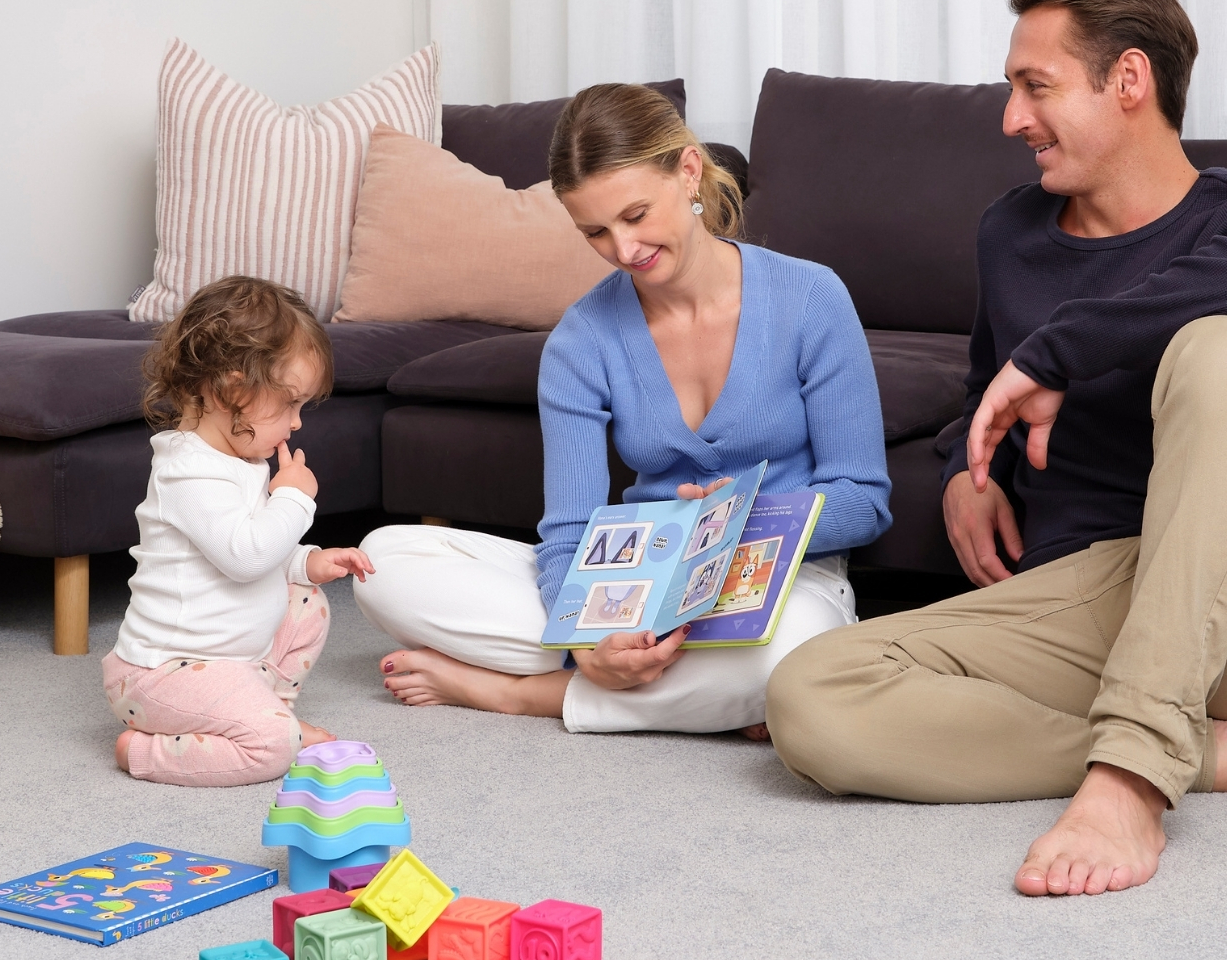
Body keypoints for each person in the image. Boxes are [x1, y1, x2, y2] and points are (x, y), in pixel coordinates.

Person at [766, 0, 1227, 897]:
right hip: (1093, 603)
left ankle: (1133, 776)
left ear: (1128, 81)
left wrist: (1064, 350)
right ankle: (1215, 753)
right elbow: (989, 383)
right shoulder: (1011, 232)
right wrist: (961, 474)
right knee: (808, 697)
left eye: (1036, 86)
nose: (1011, 118)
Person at [353, 83, 891, 736]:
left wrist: (738, 521)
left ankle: (524, 695)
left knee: (788, 654)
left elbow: (864, 501)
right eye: (595, 232)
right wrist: (588, 642)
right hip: (632, 586)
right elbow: (569, 532)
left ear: (687, 171)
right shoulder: (581, 340)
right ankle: (671, 688)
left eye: (636, 215)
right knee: (381, 563)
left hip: (778, 582)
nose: (623, 250)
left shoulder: (811, 298)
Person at [104, 275, 373, 786]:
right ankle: (145, 751)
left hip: (229, 662)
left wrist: (306, 561)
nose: (296, 424)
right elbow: (245, 557)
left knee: (307, 600)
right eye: (290, 404)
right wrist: (294, 497)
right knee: (272, 750)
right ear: (233, 390)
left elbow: (253, 550)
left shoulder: (238, 459)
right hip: (162, 674)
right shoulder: (190, 471)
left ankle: (270, 709)